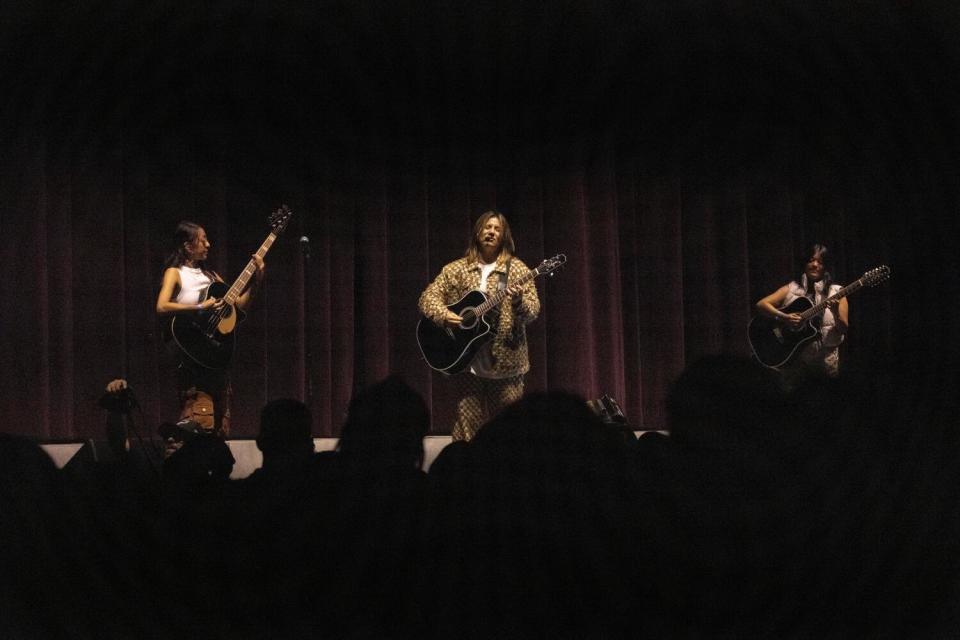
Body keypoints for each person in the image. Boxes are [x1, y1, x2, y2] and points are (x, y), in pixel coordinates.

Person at [418, 210, 540, 441]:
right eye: (487, 227)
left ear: (504, 235)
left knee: (509, 429)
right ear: (478, 232)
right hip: (466, 362)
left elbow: (532, 312)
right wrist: (443, 315)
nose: (492, 232)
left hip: (506, 365)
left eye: (497, 228)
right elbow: (428, 297)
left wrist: (517, 301)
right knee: (466, 430)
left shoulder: (518, 270)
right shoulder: (456, 269)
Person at [155, 221, 265, 436]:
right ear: (188, 246)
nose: (208, 244)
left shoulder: (212, 277)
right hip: (192, 359)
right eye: (202, 239)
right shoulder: (175, 273)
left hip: (216, 360)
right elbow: (161, 306)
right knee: (199, 422)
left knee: (220, 426)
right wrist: (200, 306)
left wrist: (257, 282)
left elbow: (238, 311)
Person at [755, 243, 848, 378]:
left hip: (827, 362)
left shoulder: (838, 292)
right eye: (811, 260)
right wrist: (784, 317)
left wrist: (835, 312)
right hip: (795, 360)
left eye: (820, 262)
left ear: (826, 267)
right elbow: (761, 304)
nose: (815, 264)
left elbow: (844, 329)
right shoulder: (792, 288)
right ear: (804, 264)